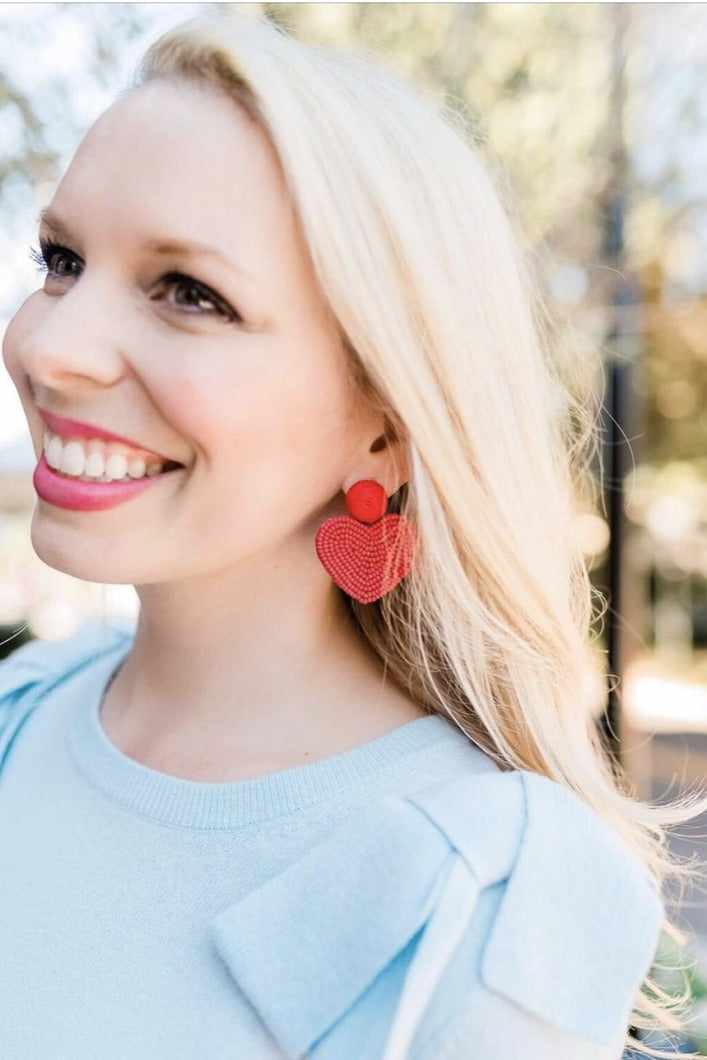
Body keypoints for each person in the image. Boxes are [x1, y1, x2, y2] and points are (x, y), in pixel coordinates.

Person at [0, 12, 702, 1059]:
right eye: (61, 259)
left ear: (382, 424)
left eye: (190, 294)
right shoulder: (23, 712)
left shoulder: (476, 891)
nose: (52, 347)